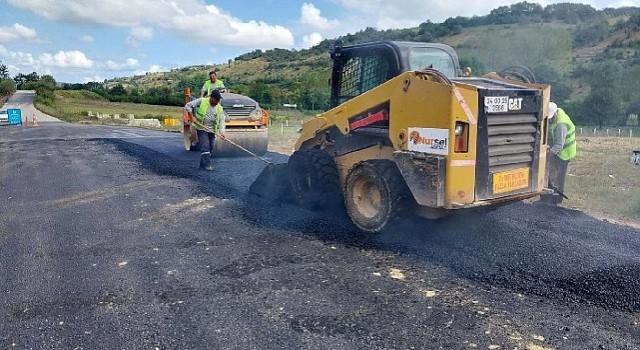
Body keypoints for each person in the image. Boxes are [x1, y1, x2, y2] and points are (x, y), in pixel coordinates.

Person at [540, 102, 577, 205]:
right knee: (550, 174)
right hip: (557, 150)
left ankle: (556, 202)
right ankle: (546, 199)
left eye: (551, 118)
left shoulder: (561, 125)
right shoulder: (554, 115)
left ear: (555, 113)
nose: (550, 120)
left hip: (564, 153)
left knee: (558, 177)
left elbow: (559, 145)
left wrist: (546, 156)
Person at [185, 90, 226, 171]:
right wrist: (192, 116)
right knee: (205, 145)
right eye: (216, 100)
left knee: (210, 148)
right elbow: (188, 105)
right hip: (201, 128)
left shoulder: (219, 108)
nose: (217, 102)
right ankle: (207, 165)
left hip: (212, 130)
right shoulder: (202, 101)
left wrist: (222, 133)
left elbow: (221, 121)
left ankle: (202, 165)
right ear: (211, 98)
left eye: (218, 100)